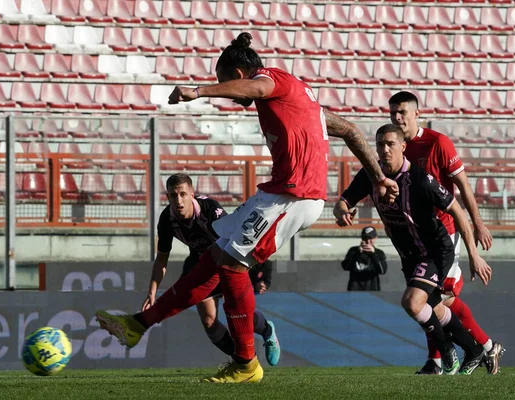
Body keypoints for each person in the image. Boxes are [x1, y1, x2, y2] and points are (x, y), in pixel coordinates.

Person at [96, 32, 399, 384]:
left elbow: (255, 89)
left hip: (294, 195)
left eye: (227, 83)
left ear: (239, 75)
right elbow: (348, 130)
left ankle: (245, 363)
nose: (230, 92)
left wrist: (199, 91)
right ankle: (138, 325)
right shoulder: (299, 98)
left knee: (230, 265)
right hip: (278, 194)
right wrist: (377, 177)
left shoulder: (271, 82)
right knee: (214, 257)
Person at [334, 124, 492, 375]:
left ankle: (446, 351)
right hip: (409, 255)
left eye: (390, 144)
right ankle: (475, 350)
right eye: (380, 145)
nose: (384, 150)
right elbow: (342, 202)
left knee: (412, 302)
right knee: (436, 308)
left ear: (403, 147)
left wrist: (474, 254)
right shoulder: (370, 175)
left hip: (435, 250)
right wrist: (342, 211)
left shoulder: (420, 179)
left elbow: (457, 211)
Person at [388, 91, 504, 375]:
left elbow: (463, 185)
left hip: (444, 234)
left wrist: (477, 224)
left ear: (417, 113)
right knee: (433, 300)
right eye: (393, 113)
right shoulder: (397, 148)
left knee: (438, 297)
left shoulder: (437, 142)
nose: (397, 117)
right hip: (416, 237)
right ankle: (482, 348)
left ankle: (447, 358)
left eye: (402, 112)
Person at [143, 173, 280, 366]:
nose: (178, 200)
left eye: (183, 194)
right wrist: (152, 292)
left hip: (226, 260)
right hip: (199, 263)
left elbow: (239, 238)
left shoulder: (210, 210)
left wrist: (262, 272)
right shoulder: (167, 219)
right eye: (173, 195)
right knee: (209, 321)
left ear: (192, 194)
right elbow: (162, 259)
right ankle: (242, 362)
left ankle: (267, 330)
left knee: (239, 314)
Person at [341, 226, 388, 291]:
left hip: (372, 290)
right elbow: (345, 267)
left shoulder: (379, 253)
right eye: (365, 238)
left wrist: (373, 254)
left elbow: (382, 271)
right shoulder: (353, 251)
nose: (368, 241)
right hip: (355, 290)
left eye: (371, 238)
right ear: (362, 238)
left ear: (375, 238)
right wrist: (357, 253)